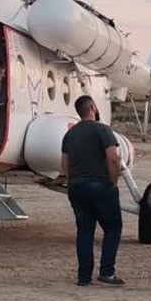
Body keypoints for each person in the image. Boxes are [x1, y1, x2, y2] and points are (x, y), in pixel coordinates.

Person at [60, 95, 124, 287]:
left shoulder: (69, 134)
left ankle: (84, 276)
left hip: (77, 187)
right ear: (93, 107)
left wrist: (72, 183)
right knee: (113, 227)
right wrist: (113, 181)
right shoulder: (102, 130)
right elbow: (113, 158)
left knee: (85, 231)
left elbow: (64, 163)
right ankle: (107, 271)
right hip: (100, 185)